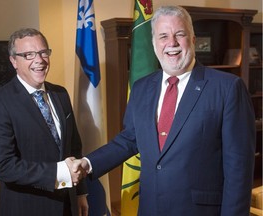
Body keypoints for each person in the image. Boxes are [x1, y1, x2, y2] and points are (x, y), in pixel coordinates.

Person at [73, 5, 256, 216]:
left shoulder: (227, 88)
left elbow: (239, 169)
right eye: (163, 36)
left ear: (193, 39)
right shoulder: (142, 88)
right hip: (151, 208)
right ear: (153, 43)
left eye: (180, 34)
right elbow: (130, 139)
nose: (172, 43)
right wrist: (88, 164)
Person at [0, 28, 88, 216]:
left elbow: (74, 147)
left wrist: (80, 194)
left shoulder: (60, 94)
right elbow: (3, 166)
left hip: (68, 206)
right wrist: (59, 173)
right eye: (29, 54)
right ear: (14, 61)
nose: (39, 60)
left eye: (43, 52)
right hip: (28, 208)